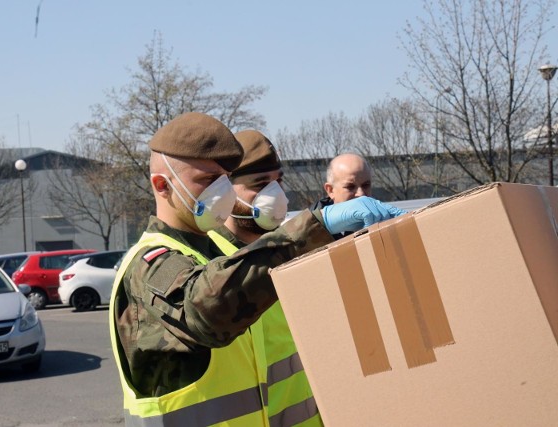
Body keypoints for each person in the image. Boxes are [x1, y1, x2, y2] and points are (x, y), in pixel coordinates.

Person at [109, 112, 404, 426]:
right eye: (207, 180)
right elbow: (206, 309)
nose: (220, 191)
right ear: (162, 185)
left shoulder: (216, 256)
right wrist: (316, 225)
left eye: (223, 179)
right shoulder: (151, 262)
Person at [208, 129, 322, 425]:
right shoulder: (213, 263)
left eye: (278, 181)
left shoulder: (293, 250)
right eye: (260, 184)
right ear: (225, 191)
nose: (275, 195)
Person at [313, 153, 373, 239]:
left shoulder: (382, 219)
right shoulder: (309, 232)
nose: (361, 194)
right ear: (330, 190)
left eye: (366, 185)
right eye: (350, 187)